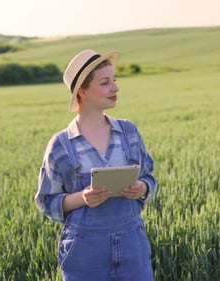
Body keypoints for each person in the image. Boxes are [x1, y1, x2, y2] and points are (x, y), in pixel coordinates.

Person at [35, 49, 157, 281]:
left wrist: (142, 187)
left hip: (133, 246)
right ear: (83, 90)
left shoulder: (128, 131)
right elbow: (46, 201)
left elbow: (149, 177)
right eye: (105, 82)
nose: (115, 87)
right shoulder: (61, 144)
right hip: (85, 253)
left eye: (115, 80)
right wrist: (83, 197)